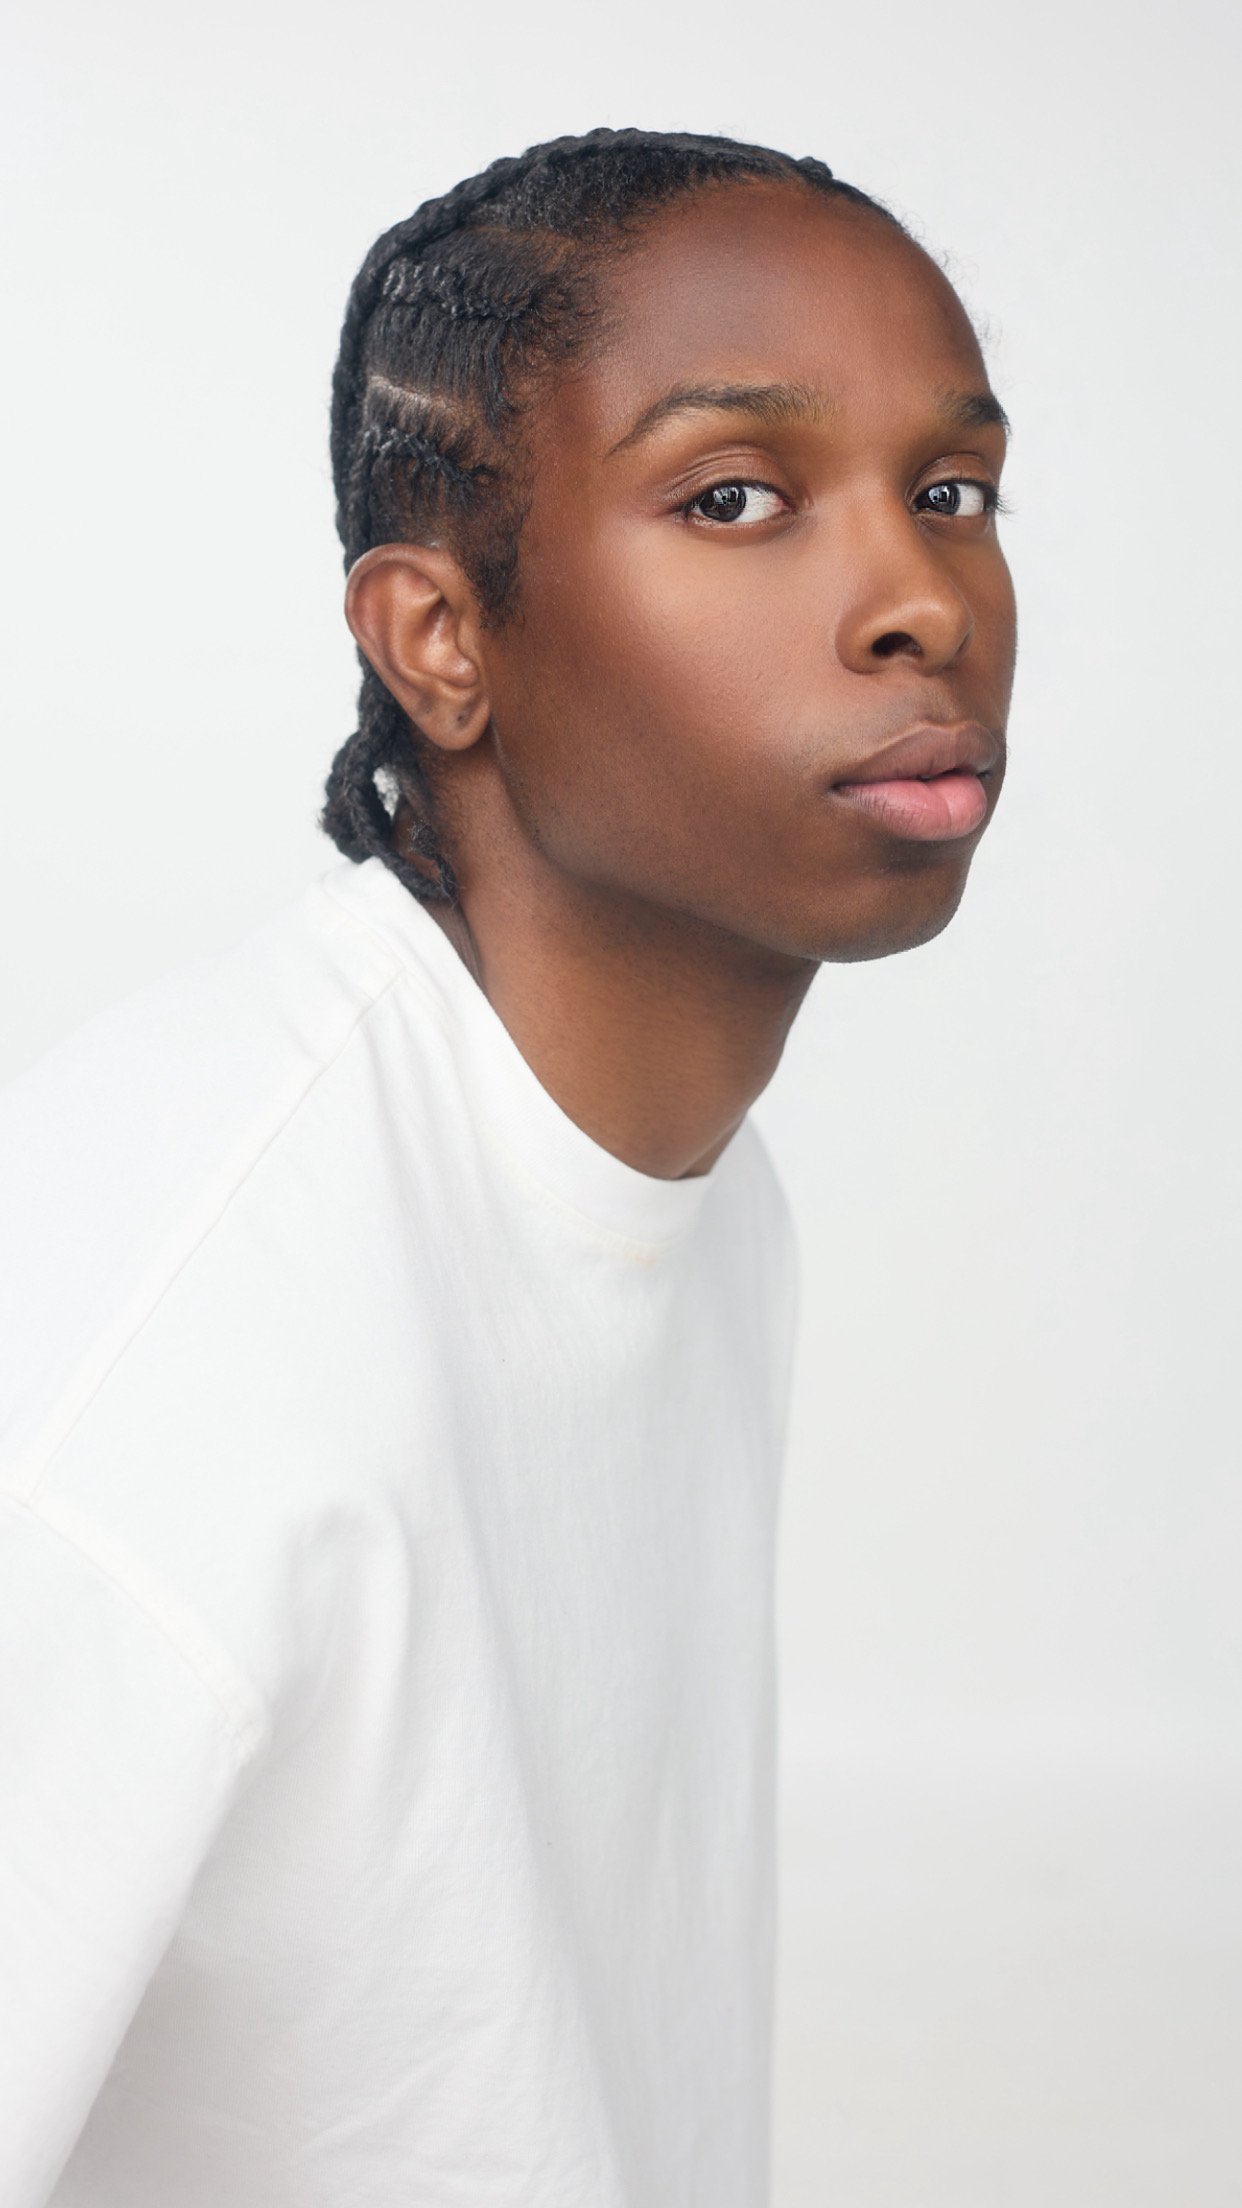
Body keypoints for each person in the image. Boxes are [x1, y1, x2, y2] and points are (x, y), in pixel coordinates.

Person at [0, 126, 1015, 2207]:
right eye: (734, 496)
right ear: (437, 640)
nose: (920, 597)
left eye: (956, 492)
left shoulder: (694, 1206)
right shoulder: (178, 1326)